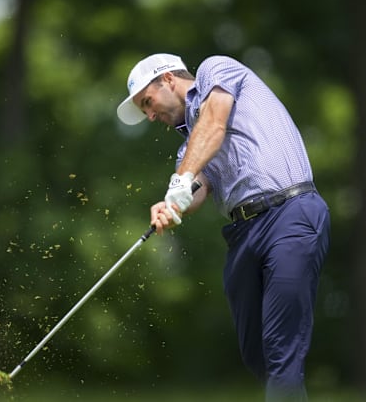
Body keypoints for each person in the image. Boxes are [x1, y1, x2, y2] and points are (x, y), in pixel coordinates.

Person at [116, 53, 331, 401]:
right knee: (257, 352)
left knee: (280, 346)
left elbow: (214, 123)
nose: (151, 115)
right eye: (145, 111)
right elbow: (197, 186)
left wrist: (180, 181)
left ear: (168, 79)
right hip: (244, 235)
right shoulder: (189, 149)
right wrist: (172, 206)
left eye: (148, 102)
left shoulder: (216, 70)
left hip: (291, 212)